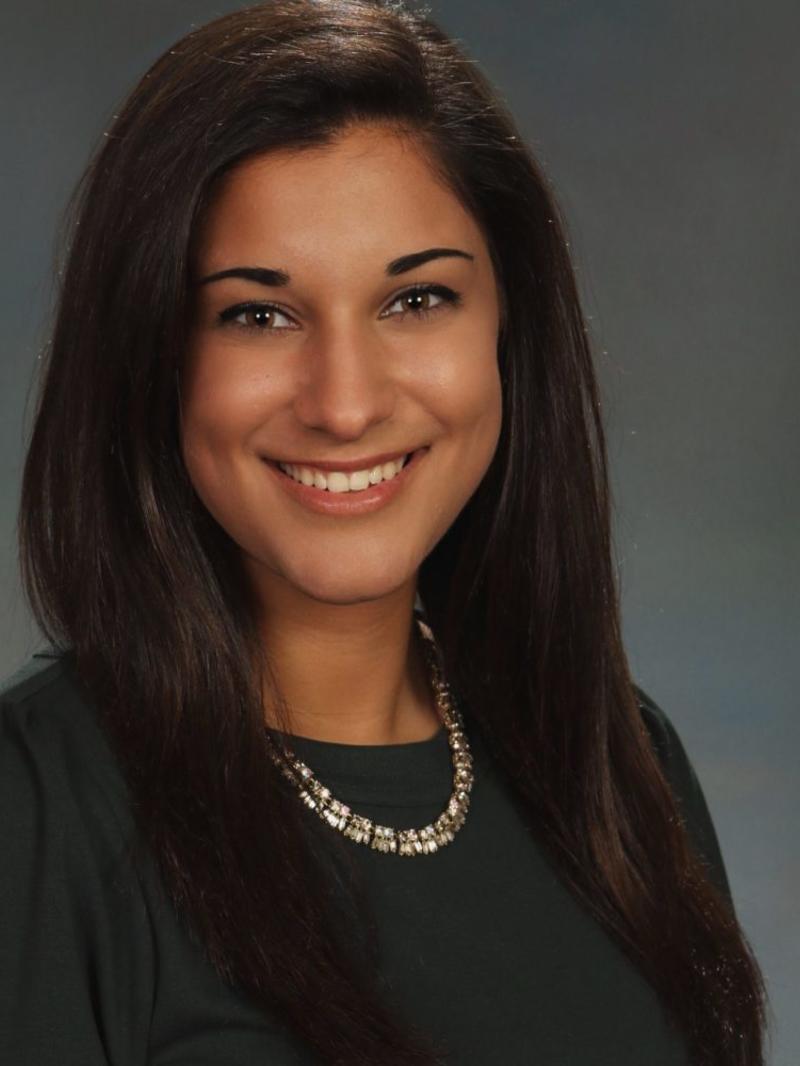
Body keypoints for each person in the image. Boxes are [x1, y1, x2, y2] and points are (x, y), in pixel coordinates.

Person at [0, 1, 770, 1064]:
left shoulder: (615, 761)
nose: (345, 403)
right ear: (150, 356)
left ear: (510, 329)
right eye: (257, 313)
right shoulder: (36, 809)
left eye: (414, 299)